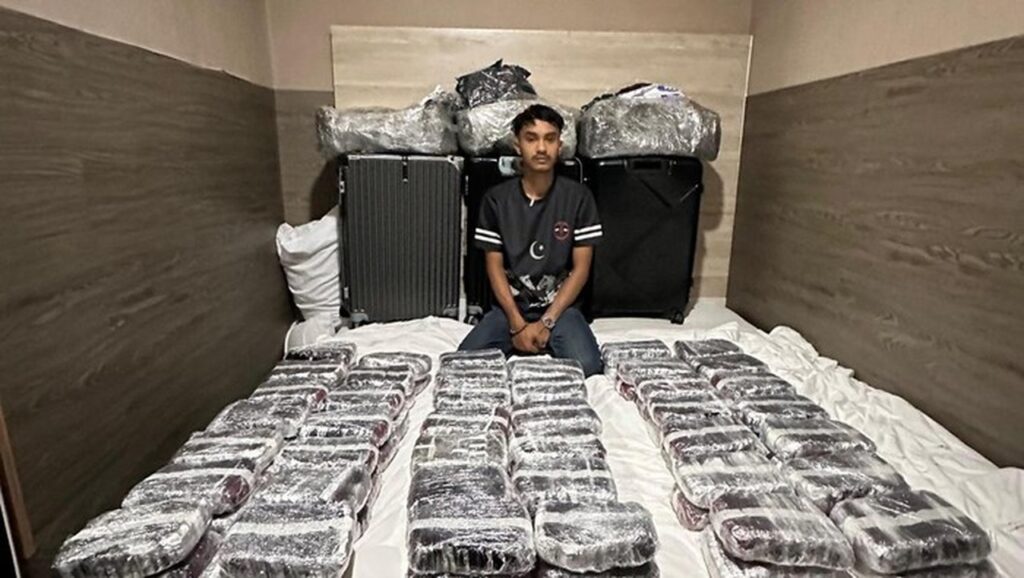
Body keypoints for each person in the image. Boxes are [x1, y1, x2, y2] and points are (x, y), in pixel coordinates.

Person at [458, 104, 603, 376]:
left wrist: (546, 323)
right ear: (518, 145)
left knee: (588, 366)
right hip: (510, 310)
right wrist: (517, 325)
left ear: (559, 145)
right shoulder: (496, 200)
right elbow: (494, 267)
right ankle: (525, 336)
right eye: (531, 138)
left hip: (561, 310)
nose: (541, 148)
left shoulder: (579, 197)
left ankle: (547, 337)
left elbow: (581, 269)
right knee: (463, 363)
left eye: (550, 139)